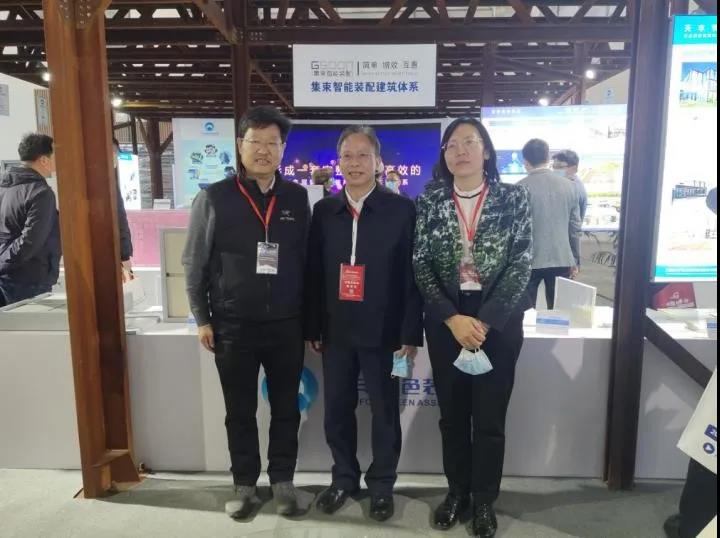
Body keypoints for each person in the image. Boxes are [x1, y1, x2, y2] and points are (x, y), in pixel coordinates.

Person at [182, 106, 310, 520]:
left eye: (273, 142)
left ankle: (283, 480)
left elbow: (306, 262)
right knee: (240, 410)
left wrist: (310, 320)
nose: (264, 150)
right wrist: (203, 318)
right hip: (233, 325)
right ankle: (244, 483)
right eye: (256, 141)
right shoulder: (214, 197)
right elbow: (194, 263)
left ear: (283, 149)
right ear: (240, 145)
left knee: (287, 407)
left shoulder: (296, 198)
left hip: (287, 324)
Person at [413, 117, 532, 538]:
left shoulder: (513, 198)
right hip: (447, 319)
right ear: (444, 155)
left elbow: (522, 261)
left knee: (489, 417)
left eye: (469, 142)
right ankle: (457, 492)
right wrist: (451, 317)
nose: (460, 151)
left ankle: (484, 500)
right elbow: (420, 262)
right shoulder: (430, 199)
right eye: (452, 145)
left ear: (486, 150)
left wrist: (483, 321)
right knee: (452, 416)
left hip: (497, 319)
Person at [305, 125, 423, 522]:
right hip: (337, 331)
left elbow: (412, 277)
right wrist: (314, 327)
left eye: (362, 155)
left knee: (385, 412)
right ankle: (343, 478)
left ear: (378, 162)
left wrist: (409, 332)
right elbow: (315, 273)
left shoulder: (401, 210)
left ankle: (382, 484)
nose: (354, 163)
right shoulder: (325, 212)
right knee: (337, 410)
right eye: (347, 156)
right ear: (338, 163)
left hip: (385, 333)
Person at [519, 139, 582, 310]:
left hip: (527, 260)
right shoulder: (570, 187)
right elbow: (575, 228)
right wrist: (575, 259)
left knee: (524, 312)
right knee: (559, 311)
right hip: (561, 256)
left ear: (525, 161)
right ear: (548, 158)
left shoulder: (518, 188)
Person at [0, 134, 61, 307]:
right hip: (29, 278)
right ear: (43, 160)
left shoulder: (4, 186)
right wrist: (5, 262)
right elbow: (30, 241)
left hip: (7, 276)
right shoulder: (41, 193)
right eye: (55, 154)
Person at [111, 139, 135, 283]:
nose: (115, 156)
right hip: (116, 254)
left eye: (116, 152)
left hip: (118, 252)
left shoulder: (110, 180)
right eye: (113, 152)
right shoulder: (107, 183)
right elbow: (119, 221)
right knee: (124, 289)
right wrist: (124, 254)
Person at [552, 150, 588, 222]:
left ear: (574, 168)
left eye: (560, 167)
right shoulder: (565, 185)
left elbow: (574, 222)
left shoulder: (575, 189)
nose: (555, 170)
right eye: (554, 167)